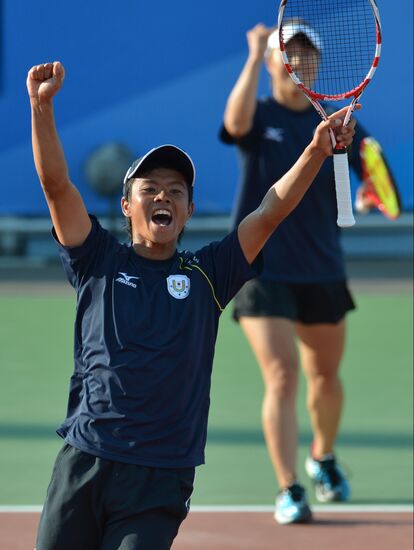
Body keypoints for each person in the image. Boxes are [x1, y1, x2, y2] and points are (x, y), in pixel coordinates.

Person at [27, 60, 355, 550]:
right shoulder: (95, 259)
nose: (164, 195)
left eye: (176, 191)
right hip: (86, 459)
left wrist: (314, 149)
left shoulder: (208, 273)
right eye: (150, 189)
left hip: (160, 476)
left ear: (189, 211)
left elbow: (269, 211)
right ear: (127, 206)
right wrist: (41, 106)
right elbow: (56, 186)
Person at [220, 22, 373, 525]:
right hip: (264, 268)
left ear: (318, 64)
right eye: (288, 53)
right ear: (272, 63)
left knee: (325, 377)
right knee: (282, 376)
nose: (299, 61)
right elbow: (233, 124)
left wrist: (374, 188)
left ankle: (322, 459)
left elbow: (372, 167)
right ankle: (289, 487)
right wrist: (250, 56)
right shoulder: (259, 116)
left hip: (323, 266)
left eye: (306, 54)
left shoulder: (338, 120)